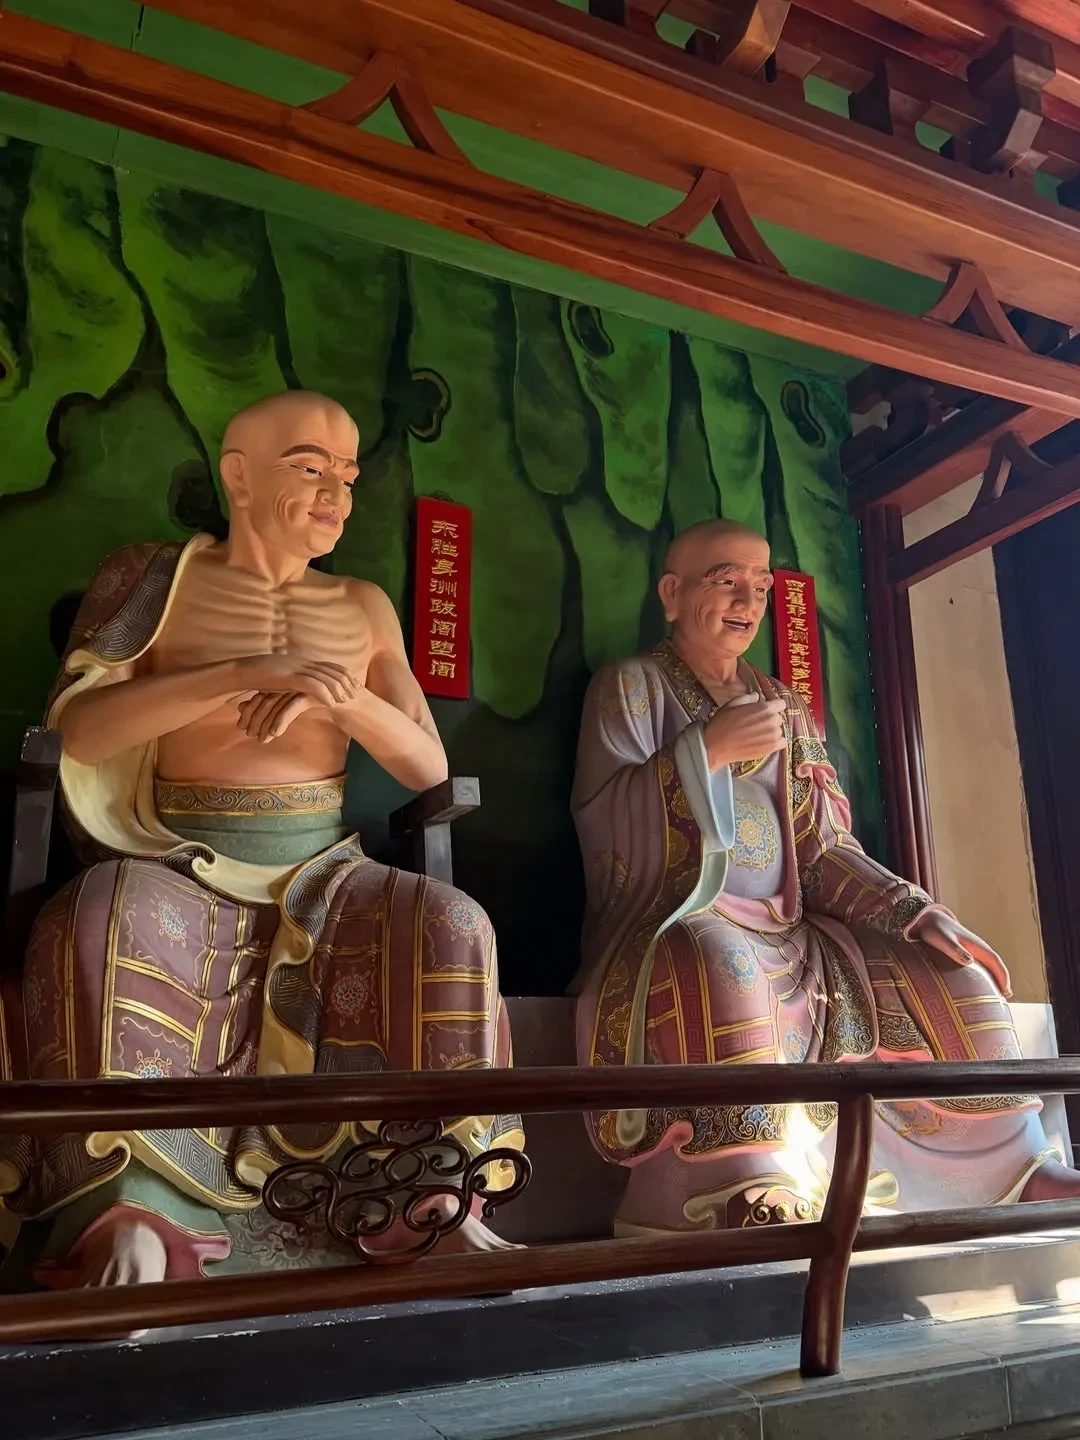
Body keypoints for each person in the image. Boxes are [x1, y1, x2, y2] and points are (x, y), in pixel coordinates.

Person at [0, 390, 523, 1290]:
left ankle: (428, 1202)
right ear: (238, 477)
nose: (335, 495)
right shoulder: (156, 578)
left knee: (450, 922)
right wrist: (242, 672)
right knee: (100, 918)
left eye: (347, 476)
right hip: (175, 852)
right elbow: (79, 731)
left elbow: (426, 764)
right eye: (310, 468)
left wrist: (336, 695)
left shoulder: (361, 604)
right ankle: (131, 1212)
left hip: (326, 864)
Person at [571, 518, 1080, 1233]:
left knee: (951, 968)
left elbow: (821, 847)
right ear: (672, 593)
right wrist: (704, 751)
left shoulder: (785, 707)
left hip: (797, 932)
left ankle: (1013, 1167)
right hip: (689, 917)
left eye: (760, 586)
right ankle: (745, 1178)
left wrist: (910, 908)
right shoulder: (633, 686)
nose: (747, 601)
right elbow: (603, 816)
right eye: (726, 581)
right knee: (717, 959)